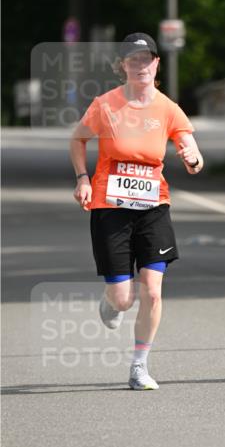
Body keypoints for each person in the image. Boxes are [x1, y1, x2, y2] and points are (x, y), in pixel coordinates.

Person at [69, 32, 204, 390]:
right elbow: (78, 139)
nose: (140, 65)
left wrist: (192, 158)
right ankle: (111, 302)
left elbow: (190, 148)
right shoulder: (105, 104)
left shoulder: (168, 108)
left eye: (147, 59)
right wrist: (83, 178)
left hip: (153, 207)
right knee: (123, 298)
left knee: (154, 291)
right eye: (133, 60)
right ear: (123, 66)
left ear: (156, 64)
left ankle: (139, 366)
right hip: (110, 207)